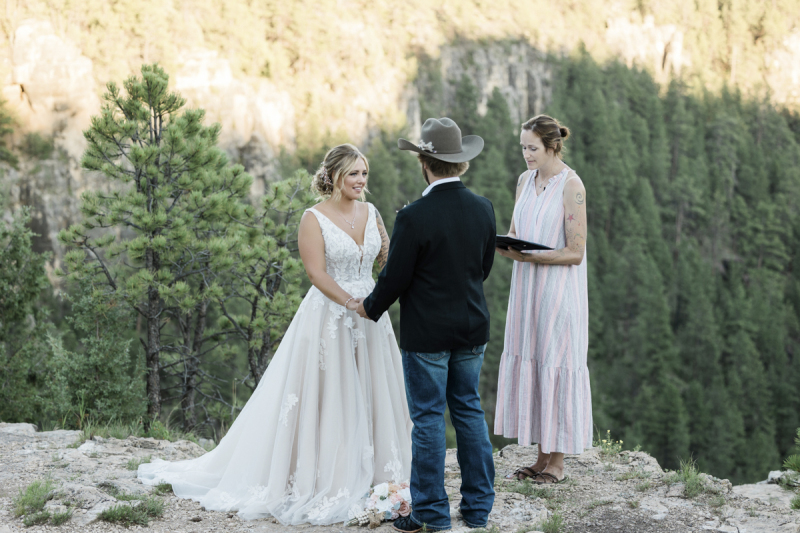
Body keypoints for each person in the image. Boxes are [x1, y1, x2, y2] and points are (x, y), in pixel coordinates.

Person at [138, 144, 412, 525]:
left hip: (372, 318)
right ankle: (326, 473)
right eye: (353, 174)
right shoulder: (313, 218)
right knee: (331, 395)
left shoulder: (372, 212)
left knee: (373, 391)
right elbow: (316, 275)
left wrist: (389, 264)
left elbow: (384, 259)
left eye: (364, 173)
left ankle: (379, 472)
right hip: (331, 316)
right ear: (335, 176)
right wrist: (352, 303)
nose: (360, 181)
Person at [356, 118, 497, 532]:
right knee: (469, 411)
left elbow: (395, 279)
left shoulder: (413, 217)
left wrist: (371, 306)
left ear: (425, 163)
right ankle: (477, 510)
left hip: (427, 335)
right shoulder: (483, 207)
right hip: (473, 328)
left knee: (430, 419)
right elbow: (482, 269)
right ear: (461, 164)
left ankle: (431, 514)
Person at [494, 115, 592, 485]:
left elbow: (576, 252)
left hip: (557, 290)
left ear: (552, 146)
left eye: (532, 148)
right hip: (526, 288)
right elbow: (519, 231)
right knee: (533, 359)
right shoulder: (524, 181)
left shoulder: (572, 186)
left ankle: (558, 462)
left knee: (555, 360)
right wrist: (508, 245)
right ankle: (539, 456)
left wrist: (534, 257)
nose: (526, 154)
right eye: (523, 147)